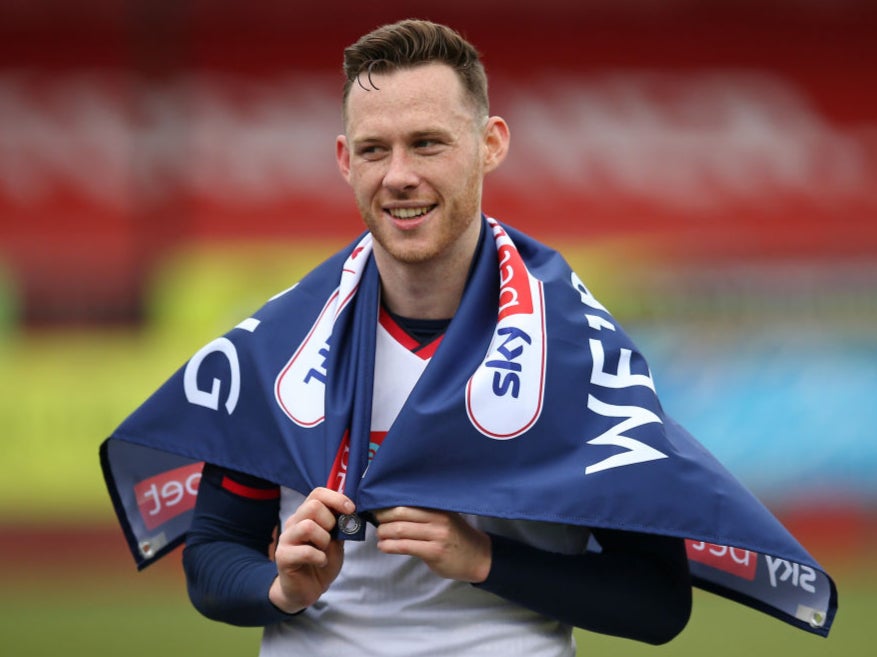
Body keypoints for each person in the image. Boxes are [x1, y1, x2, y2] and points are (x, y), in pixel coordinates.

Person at [181, 18, 692, 656]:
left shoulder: (579, 352)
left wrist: (483, 559)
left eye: (427, 144)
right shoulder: (281, 344)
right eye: (374, 149)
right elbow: (213, 551)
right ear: (345, 160)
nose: (398, 176)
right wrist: (281, 587)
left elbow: (657, 600)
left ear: (490, 144)